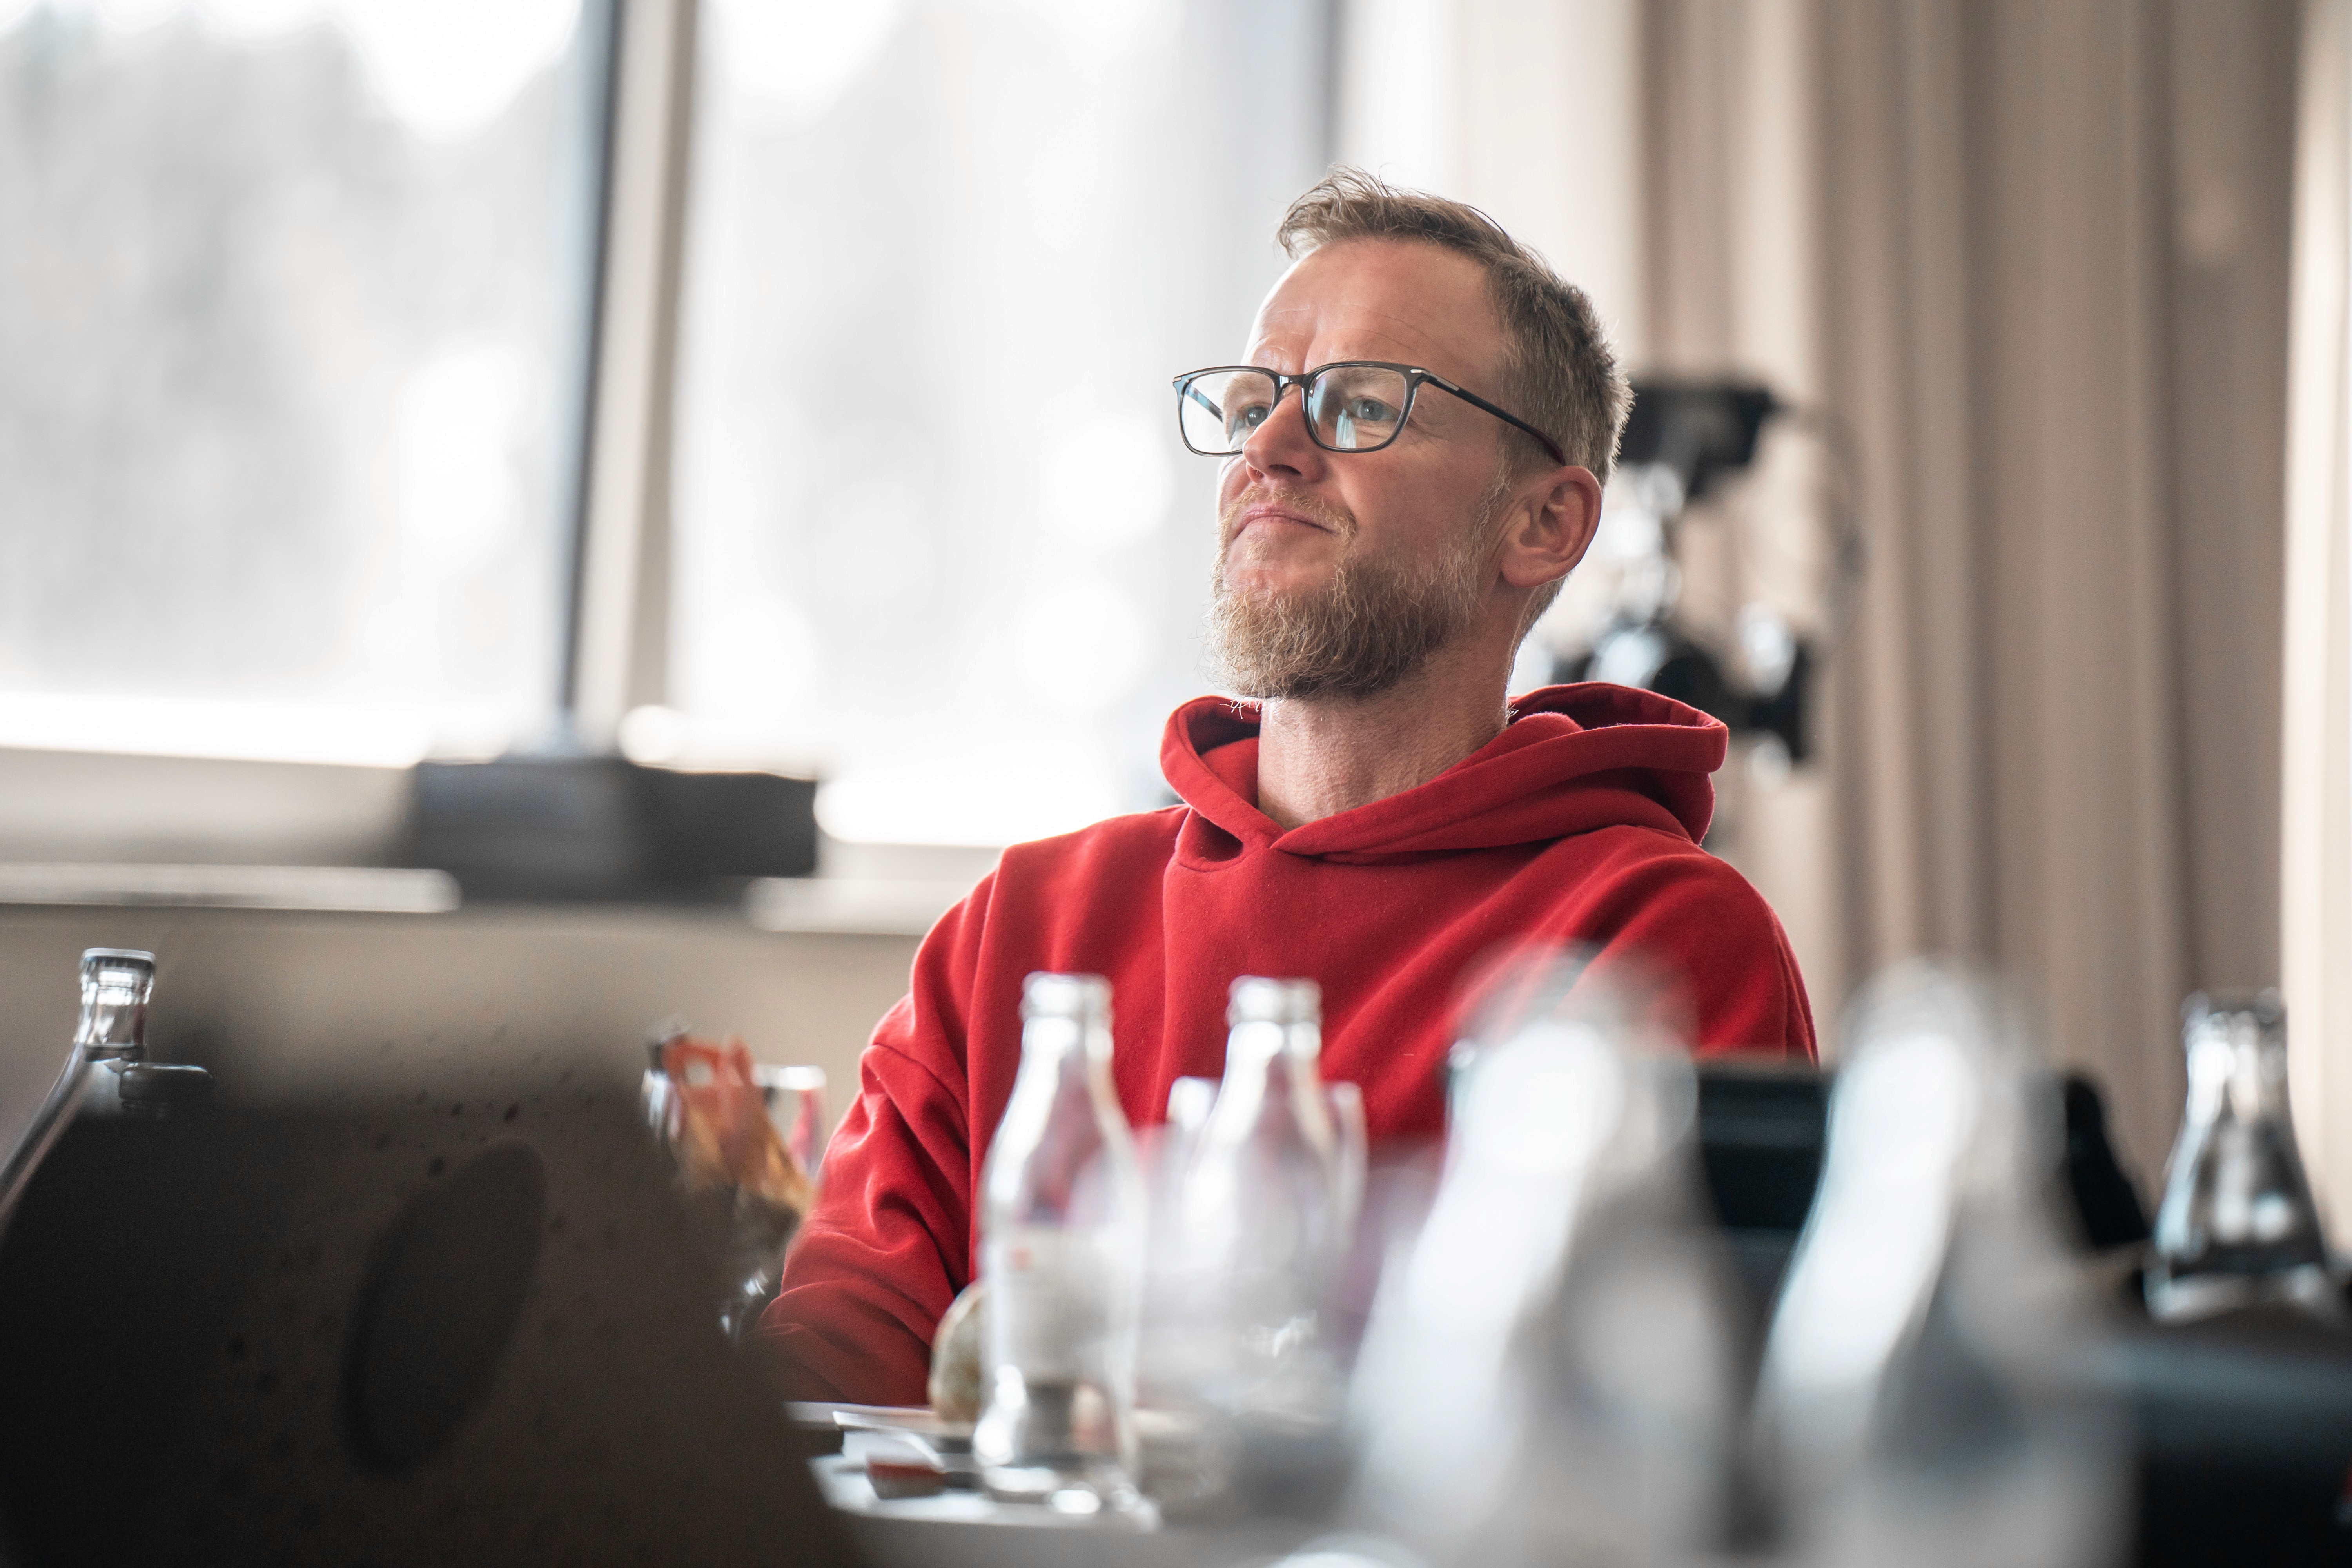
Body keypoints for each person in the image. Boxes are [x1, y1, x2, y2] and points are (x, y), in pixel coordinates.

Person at [760, 169, 1815, 1403]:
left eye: (1362, 404)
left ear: (1541, 524)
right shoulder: (1024, 928)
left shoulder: (1657, 944)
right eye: (1253, 401)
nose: (1267, 448)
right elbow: (831, 1370)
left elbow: (1650, 1437)